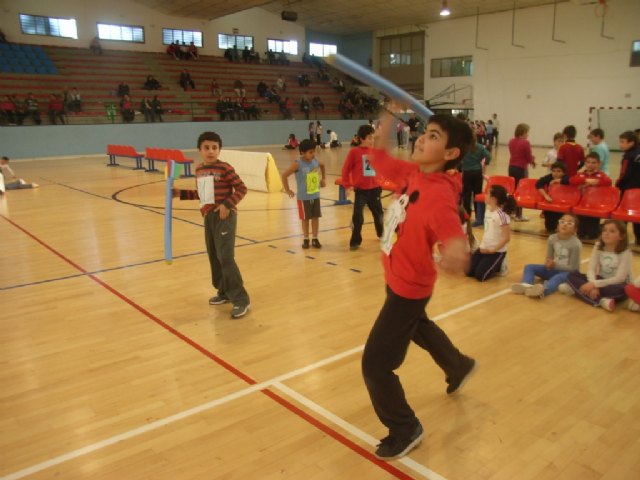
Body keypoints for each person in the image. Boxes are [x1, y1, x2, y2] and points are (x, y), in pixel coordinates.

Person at [361, 110, 476, 461]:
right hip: (396, 276)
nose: (422, 139)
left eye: (434, 136)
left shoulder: (439, 195)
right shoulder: (414, 173)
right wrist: (384, 124)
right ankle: (458, 365)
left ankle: (405, 427)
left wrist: (457, 250)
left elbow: (452, 233)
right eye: (424, 133)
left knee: (376, 365)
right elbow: (380, 159)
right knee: (417, 327)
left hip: (409, 286)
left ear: (451, 153)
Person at [172, 132, 251, 318]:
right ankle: (224, 291)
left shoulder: (225, 168)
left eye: (214, 148)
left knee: (225, 257)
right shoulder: (199, 169)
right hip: (208, 217)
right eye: (206, 147)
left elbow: (242, 189)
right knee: (214, 256)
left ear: (219, 150)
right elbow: (202, 194)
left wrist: (227, 205)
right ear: (199, 150)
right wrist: (180, 193)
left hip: (225, 217)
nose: (211, 151)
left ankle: (241, 299)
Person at [558, 220, 631, 312]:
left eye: (612, 231)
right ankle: (601, 301)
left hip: (617, 286)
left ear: (621, 236)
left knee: (622, 290)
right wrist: (594, 285)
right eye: (604, 230)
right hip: (600, 280)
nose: (606, 233)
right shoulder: (598, 246)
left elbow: (620, 278)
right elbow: (591, 269)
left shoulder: (626, 253)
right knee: (571, 275)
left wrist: (594, 284)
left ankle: (576, 291)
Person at [511, 213, 581, 298]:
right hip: (554, 268)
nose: (565, 224)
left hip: (569, 273)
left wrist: (555, 265)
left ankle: (543, 291)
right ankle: (526, 285)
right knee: (529, 267)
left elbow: (574, 268)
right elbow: (549, 257)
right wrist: (548, 263)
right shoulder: (552, 238)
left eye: (569, 223)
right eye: (562, 221)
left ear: (575, 230)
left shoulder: (576, 244)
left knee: (557, 278)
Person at [341, 124, 384, 250]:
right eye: (369, 138)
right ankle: (355, 241)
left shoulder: (375, 152)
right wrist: (347, 185)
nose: (372, 141)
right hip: (361, 191)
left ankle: (382, 234)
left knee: (379, 215)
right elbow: (345, 169)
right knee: (358, 216)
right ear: (361, 139)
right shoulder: (354, 152)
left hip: (375, 189)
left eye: (373, 138)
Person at [281, 139, 326, 249]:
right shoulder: (298, 164)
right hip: (303, 197)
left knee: (315, 217)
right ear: (302, 152)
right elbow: (284, 175)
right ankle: (306, 238)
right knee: (305, 219)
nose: (313, 154)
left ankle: (315, 238)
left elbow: (323, 165)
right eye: (310, 152)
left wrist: (323, 179)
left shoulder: (315, 161)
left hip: (315, 195)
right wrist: (287, 190)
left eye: (313, 151)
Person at [467, 184, 517, 281]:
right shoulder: (488, 211)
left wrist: (492, 250)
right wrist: (482, 246)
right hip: (483, 248)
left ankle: (500, 265)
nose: (485, 195)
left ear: (493, 198)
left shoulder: (502, 215)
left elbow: (507, 238)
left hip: (496, 251)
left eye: (487, 194)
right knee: (468, 272)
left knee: (480, 276)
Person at [569, 151, 612, 239]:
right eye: (588, 162)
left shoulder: (601, 175)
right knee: (581, 234)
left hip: (595, 206)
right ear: (585, 163)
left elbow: (608, 182)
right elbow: (572, 180)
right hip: (581, 205)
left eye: (593, 162)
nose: (590, 165)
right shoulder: (581, 175)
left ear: (599, 164)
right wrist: (586, 180)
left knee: (593, 235)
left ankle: (601, 227)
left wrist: (598, 182)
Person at [460, 131, 491, 226]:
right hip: (477, 172)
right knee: (477, 194)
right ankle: (479, 216)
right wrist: (486, 163)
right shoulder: (480, 147)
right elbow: (488, 156)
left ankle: (467, 215)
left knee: (466, 195)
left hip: (467, 173)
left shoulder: (463, 148)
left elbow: (458, 158)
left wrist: (462, 165)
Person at [615, 130, 640, 245]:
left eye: (623, 142)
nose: (620, 144)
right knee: (637, 215)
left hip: (628, 190)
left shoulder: (628, 156)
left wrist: (618, 184)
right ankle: (639, 240)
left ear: (631, 143)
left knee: (622, 215)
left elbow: (624, 173)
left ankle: (620, 238)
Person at [508, 123, 536, 221]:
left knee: (513, 190)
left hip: (511, 167)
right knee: (520, 191)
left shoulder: (511, 141)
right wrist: (533, 161)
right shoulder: (525, 143)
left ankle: (511, 211)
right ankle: (518, 215)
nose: (528, 135)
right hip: (521, 168)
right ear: (523, 132)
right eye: (527, 132)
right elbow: (528, 158)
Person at [536, 161, 570, 232]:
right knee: (549, 228)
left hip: (562, 204)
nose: (556, 173)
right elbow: (538, 184)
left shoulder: (566, 178)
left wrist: (559, 181)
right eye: (553, 171)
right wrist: (545, 195)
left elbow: (570, 181)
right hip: (551, 202)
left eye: (559, 171)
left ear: (563, 172)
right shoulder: (549, 177)